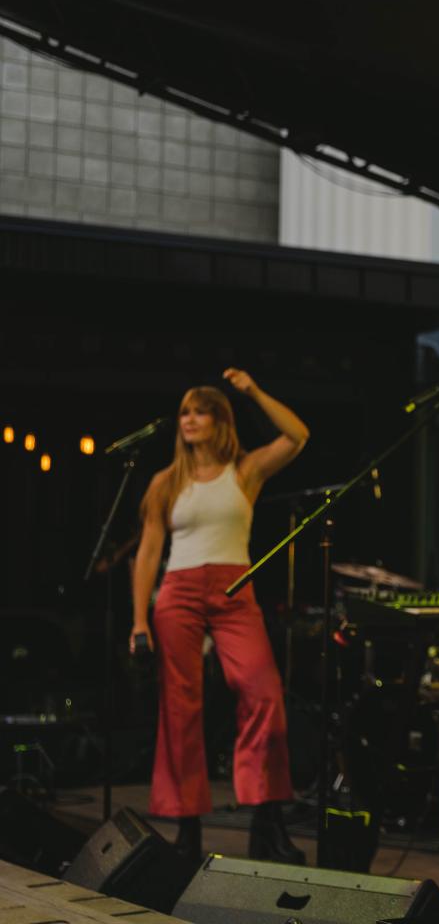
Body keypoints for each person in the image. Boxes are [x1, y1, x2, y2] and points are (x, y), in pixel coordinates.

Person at [129, 369, 310, 864]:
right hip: (179, 592)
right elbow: (148, 553)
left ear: (220, 421)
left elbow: (298, 435)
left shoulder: (244, 471)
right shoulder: (166, 482)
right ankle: (187, 830)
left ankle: (266, 821)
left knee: (263, 691)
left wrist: (254, 392)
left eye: (201, 412)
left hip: (234, 588)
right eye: (185, 412)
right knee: (180, 707)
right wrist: (139, 620)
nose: (189, 419)